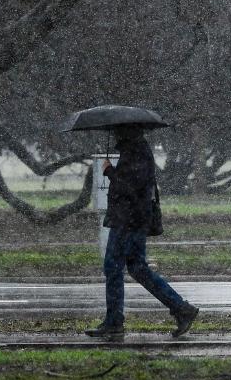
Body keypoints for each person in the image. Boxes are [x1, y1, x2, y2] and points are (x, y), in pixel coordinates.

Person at [85, 125, 199, 341]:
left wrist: (109, 171)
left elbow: (129, 187)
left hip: (128, 220)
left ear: (126, 131)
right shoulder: (136, 149)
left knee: (113, 266)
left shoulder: (136, 151)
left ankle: (114, 322)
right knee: (138, 268)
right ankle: (181, 309)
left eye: (115, 131)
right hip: (134, 219)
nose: (113, 134)